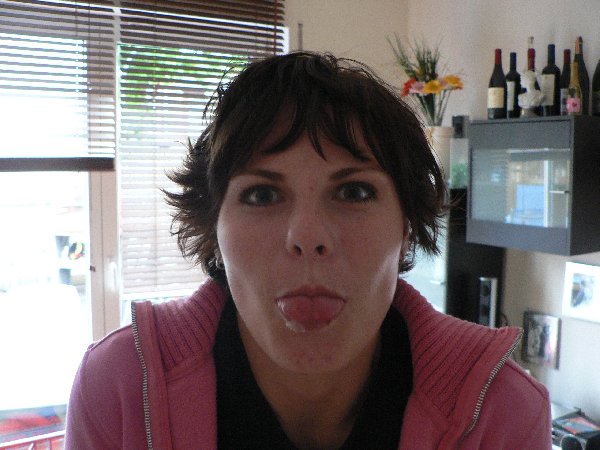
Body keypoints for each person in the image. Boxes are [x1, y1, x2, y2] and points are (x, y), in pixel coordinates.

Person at [65, 51, 551, 449]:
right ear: (214, 228)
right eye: (262, 195)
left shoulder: (503, 412)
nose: (307, 236)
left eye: (354, 192)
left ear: (407, 227)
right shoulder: (120, 388)